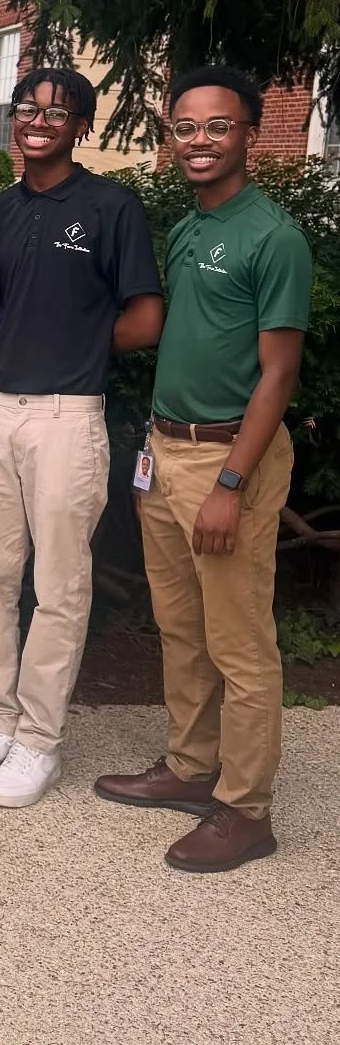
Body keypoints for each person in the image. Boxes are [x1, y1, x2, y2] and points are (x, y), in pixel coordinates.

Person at [95, 66, 311, 872]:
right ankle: (191, 767)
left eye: (218, 126)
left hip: (229, 460)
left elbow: (279, 376)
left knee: (241, 645)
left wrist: (230, 484)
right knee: (182, 629)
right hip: (167, 449)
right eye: (185, 127)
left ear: (251, 133)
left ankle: (246, 810)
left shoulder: (273, 237)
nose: (199, 141)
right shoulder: (190, 228)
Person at [0, 68, 163, 807]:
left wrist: (76, 350)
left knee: (59, 585)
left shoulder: (110, 206)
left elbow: (146, 318)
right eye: (29, 107)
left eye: (57, 111)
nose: (39, 120)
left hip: (68, 417)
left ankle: (39, 739)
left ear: (81, 126)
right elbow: (0, 303)